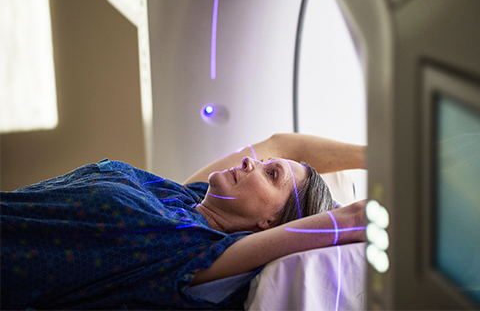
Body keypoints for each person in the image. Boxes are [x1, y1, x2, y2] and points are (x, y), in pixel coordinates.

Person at [1, 133, 367, 310]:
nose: (250, 161)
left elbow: (353, 218)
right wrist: (374, 154)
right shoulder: (184, 196)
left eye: (271, 175)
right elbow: (287, 146)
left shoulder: (192, 253)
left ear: (270, 224)